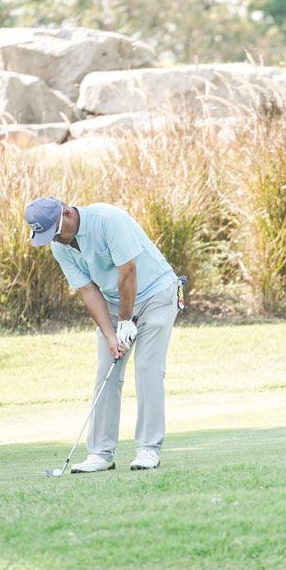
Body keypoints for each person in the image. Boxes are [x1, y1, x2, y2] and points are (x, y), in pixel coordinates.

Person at [24, 196, 181, 472]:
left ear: (67, 215)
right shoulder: (60, 247)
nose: (55, 240)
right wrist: (111, 335)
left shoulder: (108, 220)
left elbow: (128, 271)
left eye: (55, 232)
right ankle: (100, 453)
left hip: (156, 292)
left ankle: (148, 449)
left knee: (147, 368)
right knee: (106, 372)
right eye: (49, 237)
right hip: (114, 300)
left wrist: (125, 321)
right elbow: (88, 291)